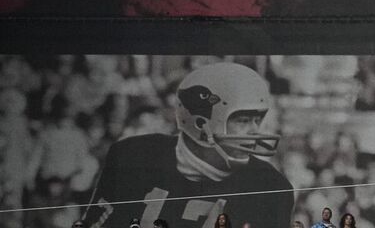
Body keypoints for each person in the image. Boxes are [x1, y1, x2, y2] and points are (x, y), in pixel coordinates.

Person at [80, 62, 293, 228]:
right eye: (243, 120)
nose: (255, 131)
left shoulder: (270, 187)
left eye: (258, 120)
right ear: (201, 123)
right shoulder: (133, 157)